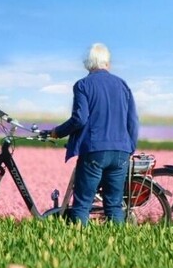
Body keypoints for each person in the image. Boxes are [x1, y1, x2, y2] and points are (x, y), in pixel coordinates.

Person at [50, 43, 139, 225]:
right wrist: (130, 148)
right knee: (114, 205)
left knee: (83, 204)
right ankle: (120, 247)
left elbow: (80, 119)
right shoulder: (122, 85)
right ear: (107, 63)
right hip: (121, 150)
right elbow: (133, 121)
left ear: (88, 64)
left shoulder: (83, 85)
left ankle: (79, 247)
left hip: (95, 149)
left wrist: (58, 132)